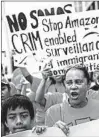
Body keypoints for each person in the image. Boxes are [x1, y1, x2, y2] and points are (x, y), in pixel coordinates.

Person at [45, 65, 99, 135]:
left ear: (88, 85)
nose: (73, 87)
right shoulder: (53, 113)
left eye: (78, 82)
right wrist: (54, 132)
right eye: (69, 83)